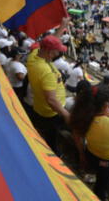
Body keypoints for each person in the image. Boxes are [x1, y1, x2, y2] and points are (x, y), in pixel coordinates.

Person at [26, 24, 70, 155]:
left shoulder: (34, 56)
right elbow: (51, 100)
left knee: (48, 131)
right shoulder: (46, 72)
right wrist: (66, 114)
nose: (58, 53)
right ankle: (55, 155)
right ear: (50, 52)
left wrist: (62, 26)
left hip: (39, 107)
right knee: (52, 136)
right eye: (57, 51)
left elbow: (49, 42)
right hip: (51, 114)